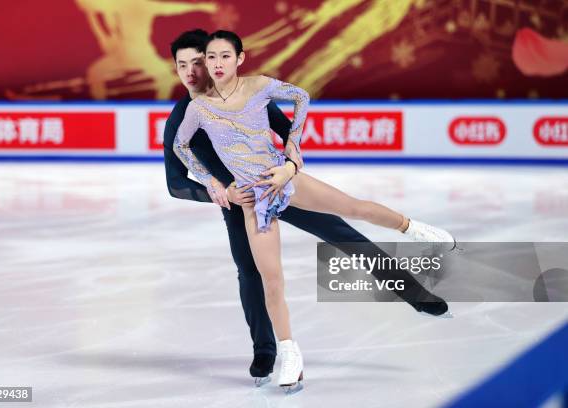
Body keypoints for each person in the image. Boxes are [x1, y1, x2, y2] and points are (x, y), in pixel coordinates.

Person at [165, 29, 452, 390]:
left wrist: (290, 165)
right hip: (244, 204)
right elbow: (175, 182)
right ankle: (267, 352)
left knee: (345, 234)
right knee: (252, 275)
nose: (193, 71)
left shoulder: (247, 93)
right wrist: (220, 191)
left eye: (199, 61)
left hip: (279, 182)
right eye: (183, 65)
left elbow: (289, 133)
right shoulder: (185, 114)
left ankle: (415, 293)